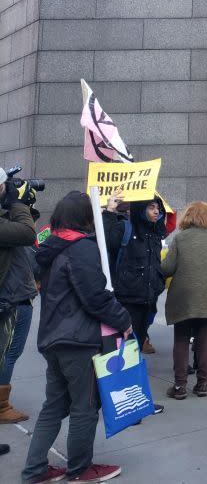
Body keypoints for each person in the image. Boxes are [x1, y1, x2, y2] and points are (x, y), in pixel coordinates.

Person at [22, 191, 131, 484]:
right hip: (78, 340)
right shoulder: (81, 248)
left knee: (54, 406)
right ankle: (80, 470)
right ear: (86, 217)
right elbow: (95, 297)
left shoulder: (49, 245)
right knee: (85, 407)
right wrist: (124, 321)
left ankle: (35, 471)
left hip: (53, 338)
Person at [160, 201, 207, 400]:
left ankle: (180, 386)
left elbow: (167, 268)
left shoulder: (180, 238)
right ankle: (203, 383)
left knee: (181, 339)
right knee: (204, 338)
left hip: (183, 295)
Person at [102, 193, 167, 354]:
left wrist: (158, 285)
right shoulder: (125, 228)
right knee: (122, 350)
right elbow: (105, 241)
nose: (156, 211)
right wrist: (109, 211)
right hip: (127, 301)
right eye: (151, 207)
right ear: (140, 209)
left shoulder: (155, 233)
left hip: (148, 301)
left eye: (158, 208)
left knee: (135, 349)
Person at [0, 174, 39, 427]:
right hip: (12, 297)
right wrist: (17, 202)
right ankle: (2, 406)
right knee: (8, 353)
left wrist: (22, 204)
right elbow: (25, 232)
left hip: (11, 294)